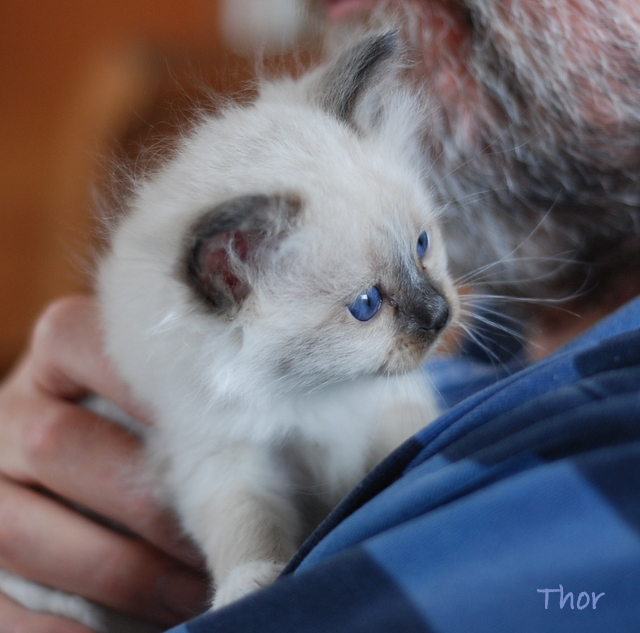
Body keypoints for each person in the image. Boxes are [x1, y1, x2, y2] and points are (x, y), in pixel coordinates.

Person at [2, 0, 640, 630]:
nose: (439, 308)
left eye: (423, 245)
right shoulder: (504, 326)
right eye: (366, 305)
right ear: (232, 274)